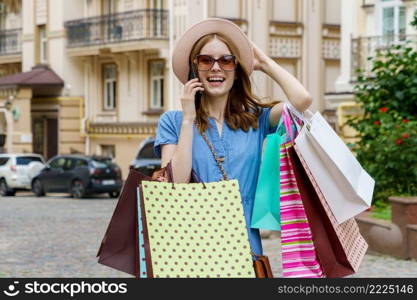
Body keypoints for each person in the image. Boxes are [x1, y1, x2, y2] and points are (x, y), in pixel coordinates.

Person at [154, 18, 312, 256]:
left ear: (236, 72)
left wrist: (265, 63)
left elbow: (302, 102)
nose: (216, 68)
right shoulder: (173, 121)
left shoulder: (256, 119)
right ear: (195, 69)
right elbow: (174, 186)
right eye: (206, 60)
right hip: (191, 252)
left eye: (227, 61)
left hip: (246, 250)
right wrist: (188, 119)